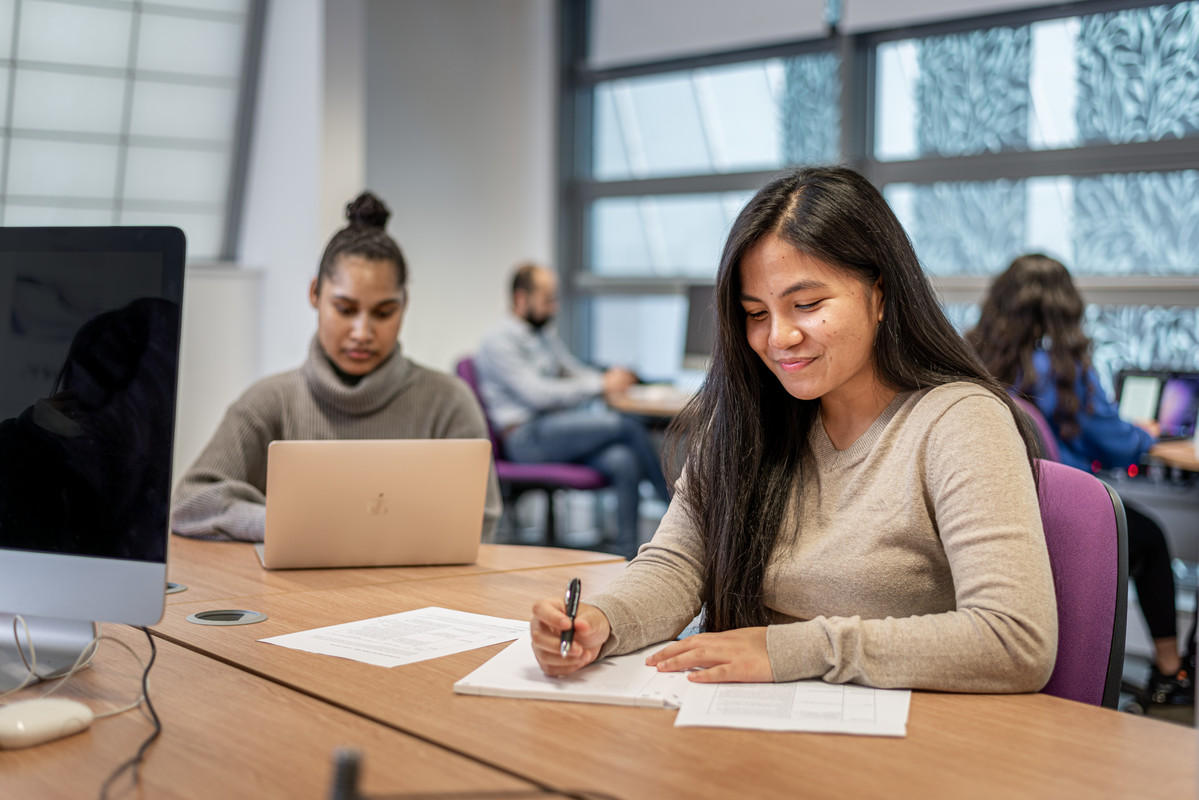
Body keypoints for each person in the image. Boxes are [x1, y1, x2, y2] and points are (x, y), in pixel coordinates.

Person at [529, 166, 1057, 692]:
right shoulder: (749, 415)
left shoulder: (960, 422)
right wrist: (603, 620)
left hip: (901, 729)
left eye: (806, 305)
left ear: (880, 294)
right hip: (749, 716)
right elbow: (678, 564)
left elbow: (1014, 639)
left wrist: (789, 650)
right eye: (756, 313)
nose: (778, 337)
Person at [171, 192, 501, 542]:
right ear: (315, 293)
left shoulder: (448, 403)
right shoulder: (269, 402)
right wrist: (282, 525)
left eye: (384, 313)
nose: (362, 333)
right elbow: (188, 504)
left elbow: (480, 521)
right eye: (345, 309)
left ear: (405, 304)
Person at [967, 253, 1193, 707]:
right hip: (1063, 517)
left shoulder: (973, 360)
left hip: (997, 505)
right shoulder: (1065, 372)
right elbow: (1116, 446)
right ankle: (1172, 672)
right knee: (1150, 538)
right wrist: (1145, 434)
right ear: (1063, 309)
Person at [475, 263, 670, 558]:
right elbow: (538, 394)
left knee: (624, 460)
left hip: (556, 433)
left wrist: (609, 378)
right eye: (547, 300)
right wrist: (601, 385)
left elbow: (572, 370)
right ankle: (675, 511)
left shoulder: (542, 335)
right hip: (526, 439)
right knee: (628, 425)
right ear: (520, 298)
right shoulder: (498, 342)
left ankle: (628, 557)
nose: (554, 307)